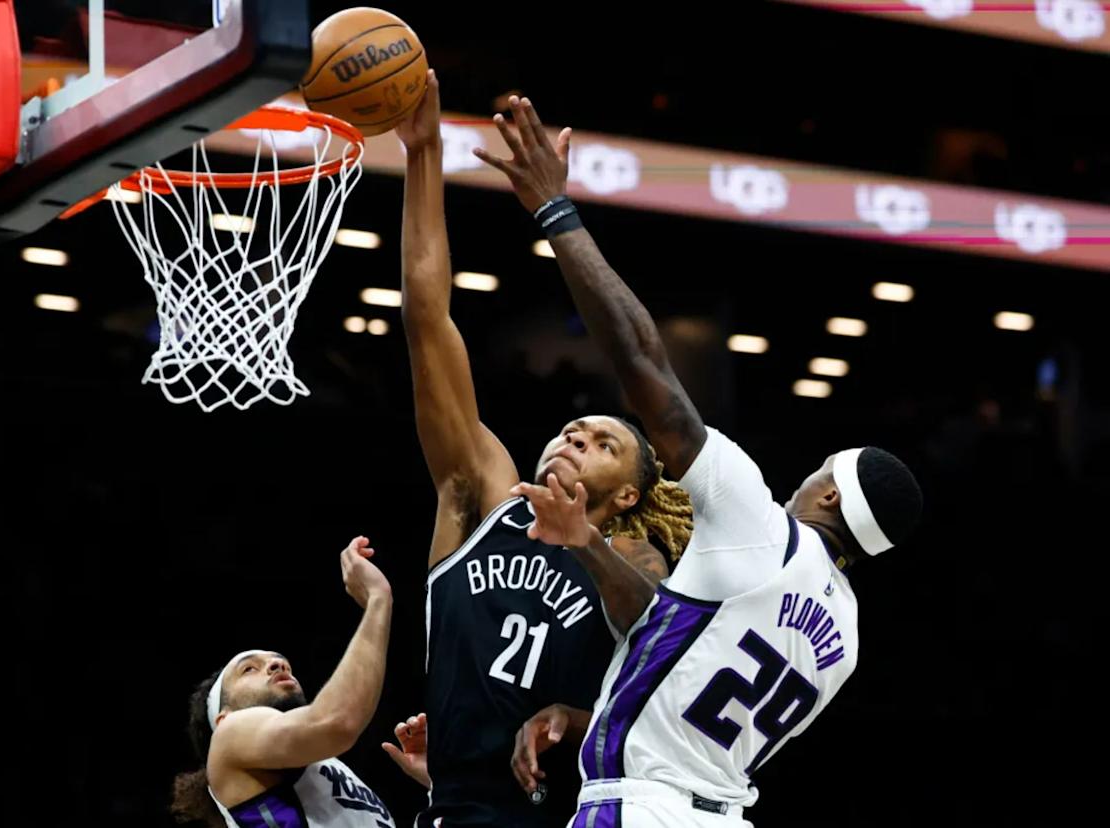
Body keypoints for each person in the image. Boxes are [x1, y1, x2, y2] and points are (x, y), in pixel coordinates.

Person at [479, 96, 923, 827]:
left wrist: (556, 212)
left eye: (818, 471)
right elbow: (687, 685)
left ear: (832, 497)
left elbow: (642, 359)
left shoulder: (760, 524)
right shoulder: (842, 640)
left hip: (641, 810)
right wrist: (588, 713)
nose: (802, 479)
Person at [393, 70, 693, 827]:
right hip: (454, 811)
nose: (574, 438)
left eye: (602, 443)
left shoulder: (635, 560)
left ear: (627, 493)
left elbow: (666, 671)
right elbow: (428, 318)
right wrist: (423, 153)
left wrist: (574, 714)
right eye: (571, 431)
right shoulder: (479, 498)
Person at [171, 536, 397, 828]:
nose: (278, 665)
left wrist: (434, 784)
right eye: (249, 669)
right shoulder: (229, 735)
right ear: (222, 717)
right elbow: (338, 721)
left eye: (283, 663)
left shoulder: (324, 766)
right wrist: (378, 599)